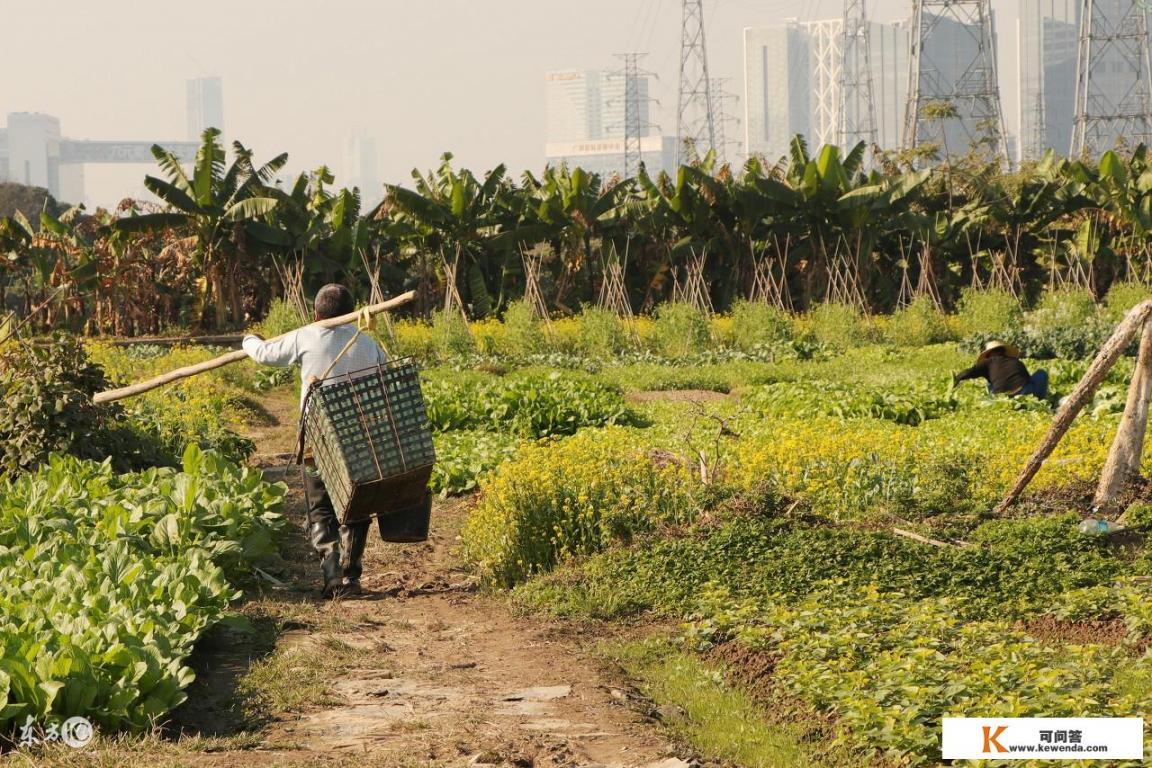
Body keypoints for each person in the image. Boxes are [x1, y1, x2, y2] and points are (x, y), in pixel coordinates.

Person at [242, 284, 388, 598]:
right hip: (358, 439)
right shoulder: (367, 343)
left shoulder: (306, 335)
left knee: (320, 506)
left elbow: (265, 355)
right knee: (356, 504)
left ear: (316, 314)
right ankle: (351, 577)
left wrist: (249, 340)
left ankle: (332, 577)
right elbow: (386, 376)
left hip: (317, 442)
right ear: (351, 314)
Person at [953, 340, 1049, 399]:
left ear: (989, 354)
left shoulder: (987, 362)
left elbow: (969, 372)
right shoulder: (1015, 361)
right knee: (1041, 373)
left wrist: (956, 379)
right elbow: (1027, 379)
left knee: (990, 383)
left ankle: (1006, 397)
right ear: (1003, 352)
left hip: (1002, 398)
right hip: (1025, 392)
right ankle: (1039, 399)